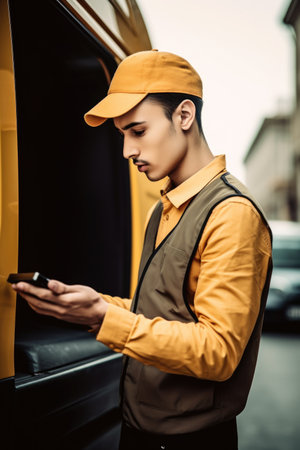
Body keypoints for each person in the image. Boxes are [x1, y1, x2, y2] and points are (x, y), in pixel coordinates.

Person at [13, 50, 272, 450]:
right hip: (140, 429)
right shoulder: (163, 206)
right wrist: (93, 303)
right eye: (122, 136)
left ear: (184, 116)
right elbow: (162, 312)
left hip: (192, 440)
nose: (126, 151)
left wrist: (105, 320)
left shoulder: (231, 213)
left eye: (137, 131)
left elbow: (219, 351)